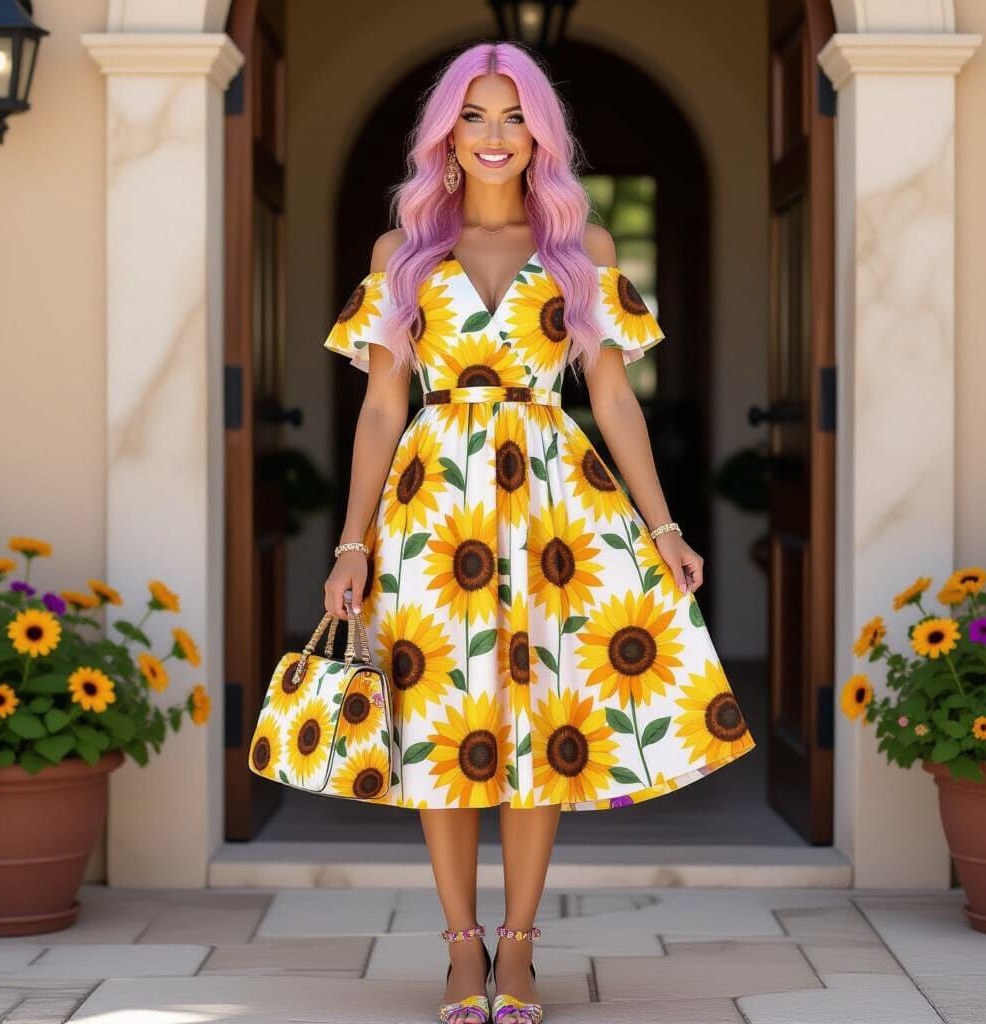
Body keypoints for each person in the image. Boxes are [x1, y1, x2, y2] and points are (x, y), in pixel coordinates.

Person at [321, 40, 757, 1024]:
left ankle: (517, 946)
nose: (491, 136)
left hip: (556, 507)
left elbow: (613, 396)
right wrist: (353, 541)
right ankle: (458, 947)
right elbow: (383, 410)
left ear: (539, 136)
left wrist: (665, 525)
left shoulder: (582, 249)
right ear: (445, 132)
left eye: (511, 116)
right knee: (441, 729)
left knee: (536, 732)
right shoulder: (403, 255)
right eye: (472, 116)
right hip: (432, 512)